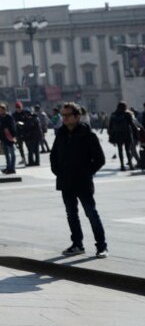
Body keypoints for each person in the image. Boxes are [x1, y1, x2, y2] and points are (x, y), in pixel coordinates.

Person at [51, 102, 108, 258]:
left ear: (77, 117)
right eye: (63, 115)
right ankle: (77, 244)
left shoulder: (88, 135)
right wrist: (58, 171)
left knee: (91, 213)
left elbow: (100, 159)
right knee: (71, 214)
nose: (64, 118)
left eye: (67, 115)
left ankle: (101, 246)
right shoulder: (60, 134)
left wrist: (86, 173)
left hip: (82, 182)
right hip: (65, 181)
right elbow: (53, 156)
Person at [106, 101, 141, 171]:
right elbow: (132, 124)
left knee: (120, 150)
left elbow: (110, 125)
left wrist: (110, 134)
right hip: (127, 133)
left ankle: (122, 165)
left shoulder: (113, 114)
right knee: (128, 150)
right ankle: (130, 165)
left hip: (118, 134)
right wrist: (137, 132)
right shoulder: (127, 114)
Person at [0, 104, 18, 174]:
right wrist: (0, 137)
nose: (0, 111)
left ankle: (12, 168)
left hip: (9, 137)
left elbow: (13, 127)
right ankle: (8, 167)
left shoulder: (9, 117)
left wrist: (13, 136)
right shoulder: (0, 117)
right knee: (6, 154)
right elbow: (0, 128)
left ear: (5, 110)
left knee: (12, 153)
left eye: (1, 110)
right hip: (3, 138)